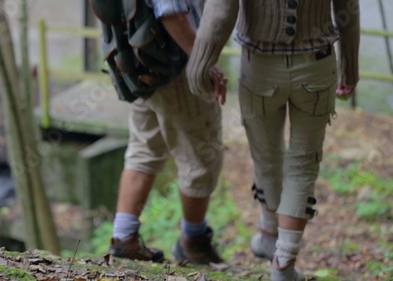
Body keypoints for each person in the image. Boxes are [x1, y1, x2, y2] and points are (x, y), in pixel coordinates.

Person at [186, 0, 360, 280]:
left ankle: (269, 232)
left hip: (259, 68)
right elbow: (347, 6)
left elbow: (221, 8)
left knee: (266, 157)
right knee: (303, 165)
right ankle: (282, 264)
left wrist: (201, 64)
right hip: (316, 67)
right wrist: (349, 67)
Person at [108, 0, 227, 265]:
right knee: (201, 157)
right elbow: (170, 11)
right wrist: (203, 62)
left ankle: (124, 239)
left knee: (145, 148)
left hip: (143, 62)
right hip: (177, 65)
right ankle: (194, 243)